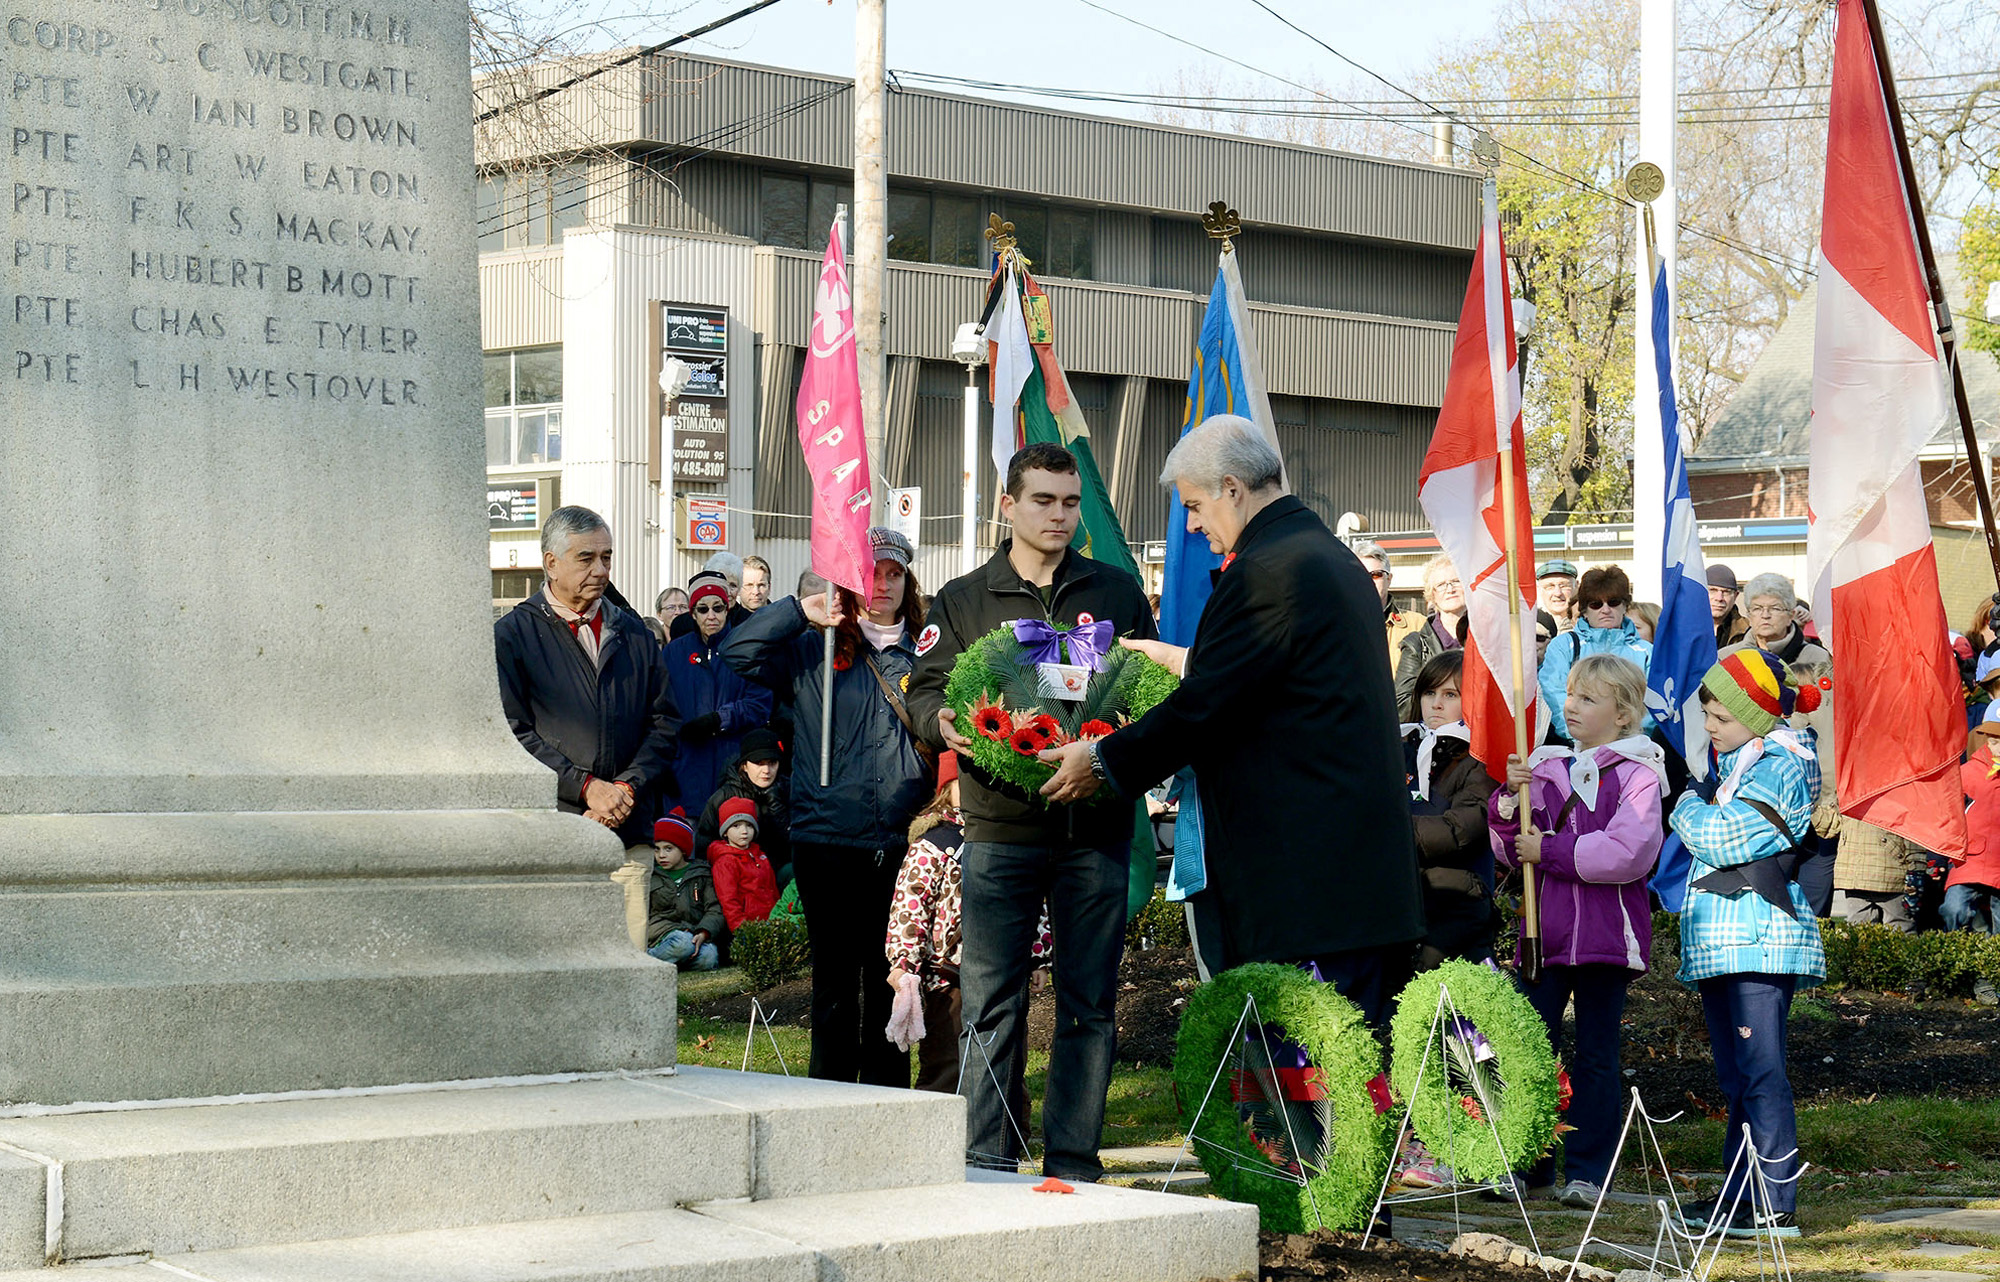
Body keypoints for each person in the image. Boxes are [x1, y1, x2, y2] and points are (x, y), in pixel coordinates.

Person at [1038, 415, 1424, 1027]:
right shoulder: (1327, 557)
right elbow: (1286, 682)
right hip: (1352, 877)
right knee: (1357, 1081)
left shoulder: (1269, 571)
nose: (1192, 524)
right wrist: (1188, 660)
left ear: (1232, 489)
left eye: (1194, 505)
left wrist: (1106, 760)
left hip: (1305, 884)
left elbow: (1210, 707)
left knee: (1317, 1081)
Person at [906, 441, 1156, 1182]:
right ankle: (985, 1156)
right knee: (990, 1002)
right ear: (1008, 504)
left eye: (1070, 502)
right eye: (1043, 500)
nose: (1059, 516)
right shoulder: (963, 597)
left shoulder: (1114, 591)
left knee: (1089, 1003)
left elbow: (1147, 695)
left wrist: (1114, 760)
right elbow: (925, 687)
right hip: (1001, 827)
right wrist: (939, 724)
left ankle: (1074, 1160)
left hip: (1096, 830)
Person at [723, 526, 931, 1087]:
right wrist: (798, 610)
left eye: (893, 573)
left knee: (893, 977)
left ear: (907, 579)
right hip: (826, 841)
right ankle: (830, 1100)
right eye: (870, 573)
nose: (882, 585)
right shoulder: (815, 646)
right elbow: (736, 652)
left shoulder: (930, 648)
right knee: (835, 983)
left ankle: (889, 1102)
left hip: (903, 841)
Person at [1490, 654, 1665, 1207]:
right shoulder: (1545, 770)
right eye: (1570, 695)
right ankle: (1526, 1163)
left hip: (1607, 942)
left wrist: (1552, 850)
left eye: (1589, 699)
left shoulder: (1639, 775)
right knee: (1530, 1051)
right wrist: (1505, 805)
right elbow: (1507, 850)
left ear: (1623, 714)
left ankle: (1587, 1170)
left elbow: (1629, 852)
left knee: (1595, 1056)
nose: (1572, 706)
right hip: (1546, 936)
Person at [1672, 651, 1822, 1240]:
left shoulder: (1780, 763)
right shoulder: (1740, 763)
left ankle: (1774, 1204)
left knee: (1761, 1073)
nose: (1709, 727)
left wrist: (1687, 802)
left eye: (1719, 717)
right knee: (1738, 1079)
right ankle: (1739, 1197)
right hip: (1726, 939)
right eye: (1706, 714)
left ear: (1757, 715)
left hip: (1757, 938)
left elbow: (1724, 836)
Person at [495, 505, 679, 948]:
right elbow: (511, 732)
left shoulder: (633, 633)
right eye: (586, 558)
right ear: (551, 562)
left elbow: (666, 724)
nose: (600, 570)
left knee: (627, 969)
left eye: (607, 557)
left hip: (627, 833)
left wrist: (624, 790)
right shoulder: (512, 635)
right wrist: (585, 788)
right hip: (552, 834)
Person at [884, 752, 1051, 1097]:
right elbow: (910, 905)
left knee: (1006, 1058)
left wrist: (1037, 956)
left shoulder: (1010, 839)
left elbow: (1033, 900)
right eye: (965, 784)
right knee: (946, 1060)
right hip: (947, 976)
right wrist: (905, 962)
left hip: (1004, 969)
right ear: (947, 789)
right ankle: (937, 1136)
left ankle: (1007, 1137)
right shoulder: (932, 844)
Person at [1402, 651, 1498, 969]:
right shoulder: (1398, 746)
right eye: (1429, 692)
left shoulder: (1481, 759)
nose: (1436, 704)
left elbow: (1462, 828)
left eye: (1450, 694)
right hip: (1399, 896)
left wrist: (1388, 832)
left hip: (1457, 900)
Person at [663, 570, 772, 818]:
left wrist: (720, 719)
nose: (711, 616)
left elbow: (759, 704)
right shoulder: (674, 652)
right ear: (692, 613)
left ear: (727, 609)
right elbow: (660, 708)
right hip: (686, 768)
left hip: (731, 769)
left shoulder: (746, 648)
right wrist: (664, 761)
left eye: (718, 608)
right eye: (703, 609)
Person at [1538, 565, 1653, 743]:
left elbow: (1653, 703)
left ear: (1625, 606)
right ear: (1584, 610)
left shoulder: (1646, 651)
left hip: (1632, 746)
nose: (1605, 610)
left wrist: (1627, 739)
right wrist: (1579, 737)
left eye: (1613, 602)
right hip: (1576, 745)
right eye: (1596, 604)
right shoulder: (1563, 645)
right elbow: (1553, 694)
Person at [696, 728, 792, 888]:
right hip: (739, 881)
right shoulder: (724, 796)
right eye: (759, 764)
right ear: (745, 766)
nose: (766, 771)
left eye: (772, 763)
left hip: (781, 874)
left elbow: (799, 842)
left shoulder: (789, 791)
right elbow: (704, 845)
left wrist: (777, 807)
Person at [1951, 704, 2000, 1006]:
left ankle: (1989, 980)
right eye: (1994, 739)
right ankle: (1960, 966)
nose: (1999, 746)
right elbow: (1948, 815)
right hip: (1969, 858)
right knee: (1953, 908)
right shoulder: (1966, 773)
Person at [646, 811, 723, 971]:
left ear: (683, 849)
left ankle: (671, 964)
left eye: (668, 849)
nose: (661, 855)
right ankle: (646, 963)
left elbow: (714, 909)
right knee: (682, 943)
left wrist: (703, 933)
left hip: (694, 933)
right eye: (657, 849)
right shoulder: (650, 875)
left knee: (709, 956)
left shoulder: (701, 873)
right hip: (662, 936)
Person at [1394, 553, 1467, 713]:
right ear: (1431, 594)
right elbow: (1402, 704)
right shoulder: (1415, 645)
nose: (1450, 589)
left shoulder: (1485, 638)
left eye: (1456, 581)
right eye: (1441, 584)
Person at [1724, 573, 1829, 667]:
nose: (1765, 615)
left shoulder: (1818, 659)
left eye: (1775, 608)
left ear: (1790, 616)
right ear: (1749, 615)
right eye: (1757, 608)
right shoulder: (1726, 658)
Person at [708, 797, 779, 932]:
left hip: (771, 921)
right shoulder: (725, 861)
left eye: (749, 825)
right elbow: (728, 901)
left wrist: (779, 918)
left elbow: (773, 889)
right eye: (736, 826)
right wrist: (741, 929)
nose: (744, 831)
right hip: (749, 927)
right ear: (725, 831)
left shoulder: (760, 855)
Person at [1355, 538, 1420, 662]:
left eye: (1376, 575)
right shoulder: (1336, 626)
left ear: (1389, 579)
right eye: (1360, 574)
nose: (1368, 581)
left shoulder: (1418, 625)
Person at [1708, 564, 1750, 649]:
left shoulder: (1749, 632)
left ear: (1735, 596)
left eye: (1726, 592)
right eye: (1713, 590)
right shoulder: (1682, 628)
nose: (1719, 598)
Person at [1536, 559, 1581, 633]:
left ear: (1576, 586)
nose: (1558, 593)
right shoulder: (1531, 626)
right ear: (1539, 589)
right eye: (1549, 587)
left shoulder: (1590, 624)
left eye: (1564, 586)